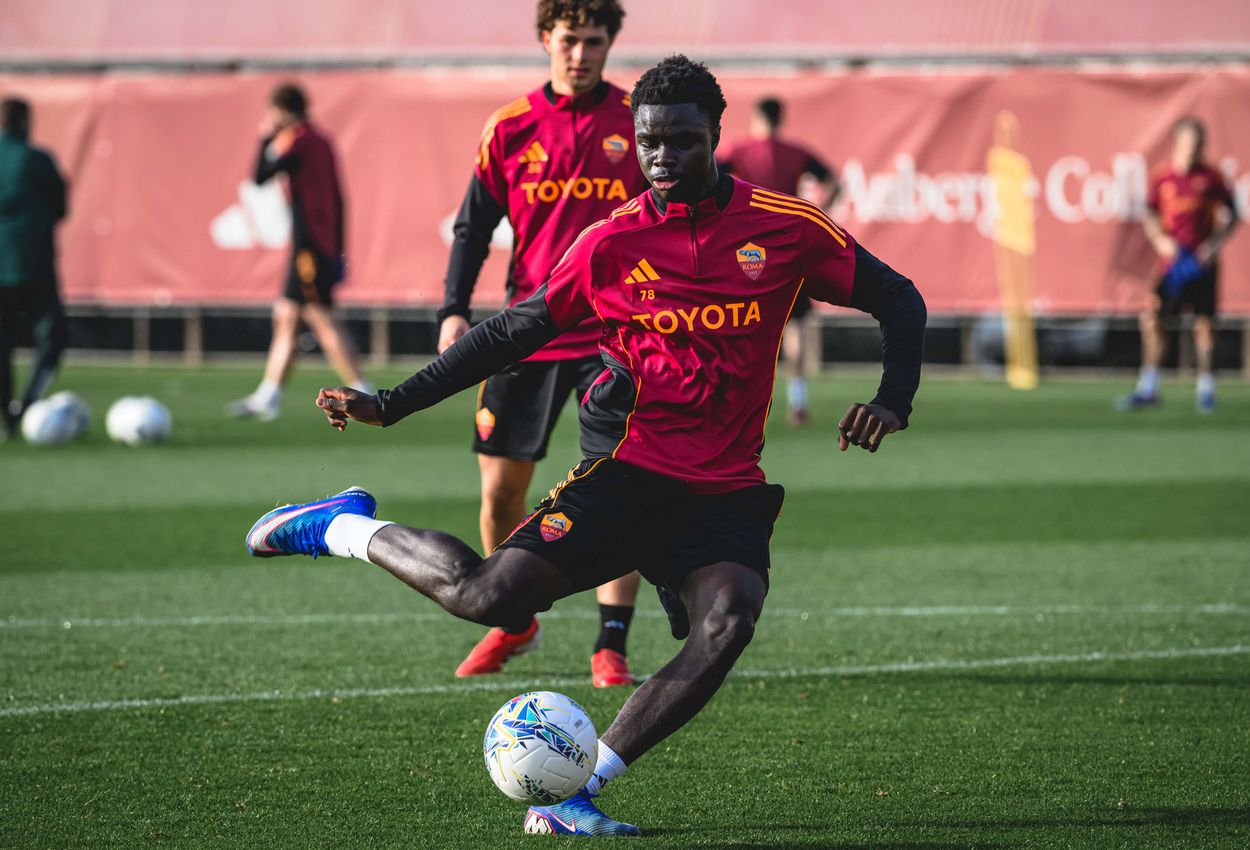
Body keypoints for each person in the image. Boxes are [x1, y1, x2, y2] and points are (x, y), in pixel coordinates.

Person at [245, 55, 926, 836]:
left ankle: (578, 790)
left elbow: (896, 297)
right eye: (648, 143)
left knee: (727, 624)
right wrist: (394, 403)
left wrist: (889, 403)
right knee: (488, 598)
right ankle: (337, 526)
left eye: (680, 141)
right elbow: (512, 330)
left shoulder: (783, 228)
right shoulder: (611, 242)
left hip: (726, 489)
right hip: (631, 475)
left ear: (715, 138)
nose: (661, 159)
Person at [437, 0, 647, 687]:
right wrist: (452, 311)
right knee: (500, 495)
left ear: (609, 42)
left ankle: (609, 643)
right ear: (544, 41)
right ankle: (514, 620)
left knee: (618, 493)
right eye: (568, 40)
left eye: (593, 41)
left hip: (617, 336)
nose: (580, 54)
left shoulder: (638, 124)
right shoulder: (510, 126)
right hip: (527, 331)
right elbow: (472, 227)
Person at [228, 82, 370, 421]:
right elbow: (338, 197)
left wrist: (265, 138)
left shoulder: (301, 142)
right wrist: (338, 248)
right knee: (287, 318)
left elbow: (260, 176)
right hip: (317, 244)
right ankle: (269, 395)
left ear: (282, 111)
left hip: (309, 246)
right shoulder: (321, 141)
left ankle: (364, 389)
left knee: (320, 319)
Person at [718, 96, 841, 425]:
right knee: (796, 323)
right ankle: (797, 400)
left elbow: (708, 181)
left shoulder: (737, 150)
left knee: (740, 322)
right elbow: (834, 181)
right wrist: (816, 213)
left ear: (756, 117)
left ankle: (738, 400)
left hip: (746, 246)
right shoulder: (796, 153)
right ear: (781, 118)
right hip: (788, 245)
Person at [1117, 116, 1237, 414]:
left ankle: (1206, 389)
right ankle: (1149, 387)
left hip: (1201, 263)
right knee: (1152, 319)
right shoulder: (1162, 178)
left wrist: (1213, 245)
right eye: (1191, 142)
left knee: (1204, 323)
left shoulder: (1212, 177)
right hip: (1171, 264)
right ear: (1178, 143)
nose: (1196, 149)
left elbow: (1233, 214)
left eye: (1200, 143)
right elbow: (1149, 213)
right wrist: (1161, 240)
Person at [0, 97, 68, 440]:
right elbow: (60, 206)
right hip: (33, 263)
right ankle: (26, 405)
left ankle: (6, 415)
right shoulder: (37, 160)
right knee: (53, 337)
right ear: (24, 121)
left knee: (2, 342)